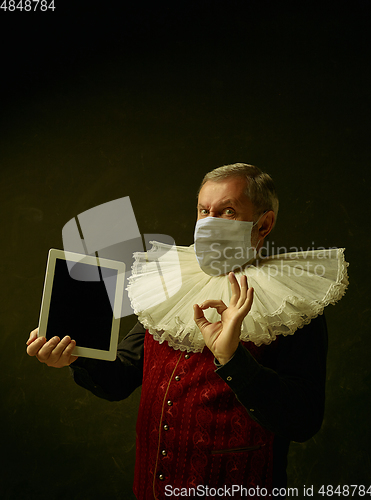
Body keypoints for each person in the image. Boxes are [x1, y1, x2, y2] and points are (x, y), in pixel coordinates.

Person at [27, 164, 345, 500]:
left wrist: (233, 359)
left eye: (228, 211)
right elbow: (119, 378)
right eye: (204, 210)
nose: (210, 222)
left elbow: (304, 420)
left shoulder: (292, 306)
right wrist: (77, 355)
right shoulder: (167, 284)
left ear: (264, 224)